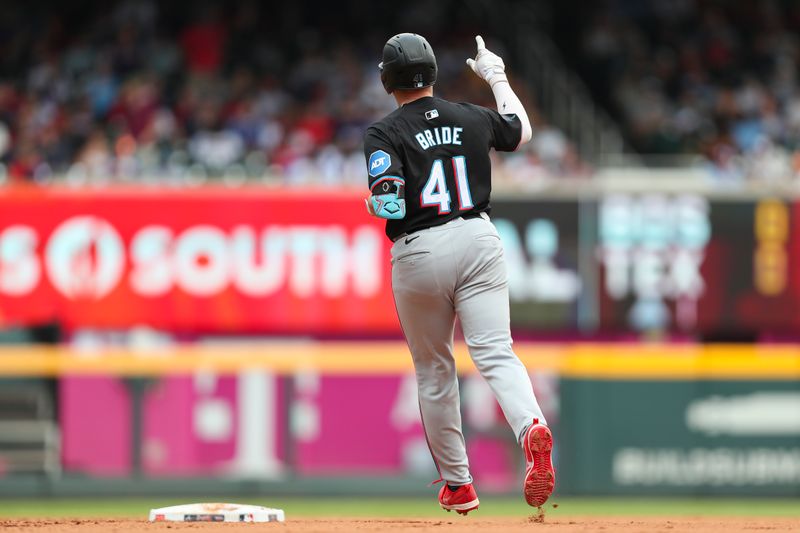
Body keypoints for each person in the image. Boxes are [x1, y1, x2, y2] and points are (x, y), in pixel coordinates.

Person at [363, 33, 555, 514]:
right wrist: (495, 75)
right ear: (432, 72)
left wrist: (373, 204)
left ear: (388, 81)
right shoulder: (469, 115)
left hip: (420, 248)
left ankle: (459, 484)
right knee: (495, 351)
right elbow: (520, 131)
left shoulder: (383, 133)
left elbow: (389, 202)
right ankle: (530, 425)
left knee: (434, 370)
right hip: (479, 237)